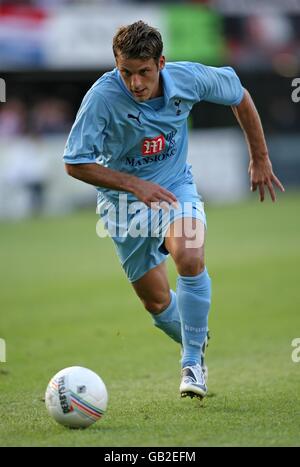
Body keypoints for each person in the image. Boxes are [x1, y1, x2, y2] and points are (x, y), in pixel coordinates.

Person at [63, 21, 285, 400]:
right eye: (126, 73)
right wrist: (135, 185)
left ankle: (193, 362)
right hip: (121, 204)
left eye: (144, 72)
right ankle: (194, 334)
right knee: (157, 302)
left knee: (190, 255)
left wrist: (260, 157)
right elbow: (74, 163)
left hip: (175, 188)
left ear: (161, 63)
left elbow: (239, 95)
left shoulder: (189, 78)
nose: (135, 83)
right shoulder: (101, 98)